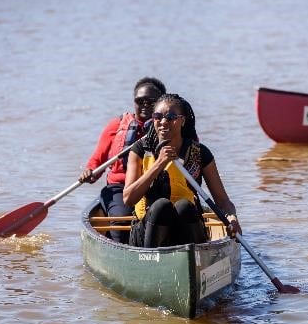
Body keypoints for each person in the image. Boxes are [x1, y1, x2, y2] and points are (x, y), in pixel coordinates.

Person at [123, 93, 242, 248]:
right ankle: (151, 262)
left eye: (171, 117)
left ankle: (195, 259)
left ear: (182, 121)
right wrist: (159, 163)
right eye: (158, 116)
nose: (163, 122)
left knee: (184, 206)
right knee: (161, 207)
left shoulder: (199, 153)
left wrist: (232, 218)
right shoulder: (140, 150)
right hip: (147, 234)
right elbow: (128, 199)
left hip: (186, 231)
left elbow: (222, 201)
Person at [79, 77, 166, 243]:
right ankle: (123, 247)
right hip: (120, 188)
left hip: (158, 185)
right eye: (140, 101)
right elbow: (97, 159)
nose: (145, 105)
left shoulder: (170, 126)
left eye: (151, 101)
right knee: (121, 221)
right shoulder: (116, 126)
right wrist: (90, 171)